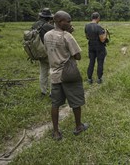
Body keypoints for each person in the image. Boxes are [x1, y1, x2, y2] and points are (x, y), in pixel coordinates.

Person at [44, 10, 89, 140]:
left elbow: (48, 51)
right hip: (69, 73)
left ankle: (56, 132)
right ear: (59, 21)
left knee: (55, 104)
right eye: (68, 21)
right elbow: (78, 56)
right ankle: (78, 126)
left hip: (55, 74)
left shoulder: (47, 35)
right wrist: (70, 34)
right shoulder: (67, 36)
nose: (70, 23)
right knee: (75, 101)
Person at [32, 8, 54, 97]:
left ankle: (43, 91)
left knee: (43, 72)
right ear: (49, 17)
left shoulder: (34, 25)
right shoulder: (48, 26)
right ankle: (52, 92)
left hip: (39, 52)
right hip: (48, 52)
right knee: (53, 71)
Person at [84, 12, 108, 84]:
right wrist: (106, 33)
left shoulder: (86, 26)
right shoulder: (99, 27)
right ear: (98, 18)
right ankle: (99, 79)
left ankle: (89, 79)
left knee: (91, 62)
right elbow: (102, 39)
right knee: (100, 62)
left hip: (91, 46)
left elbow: (87, 37)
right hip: (99, 47)